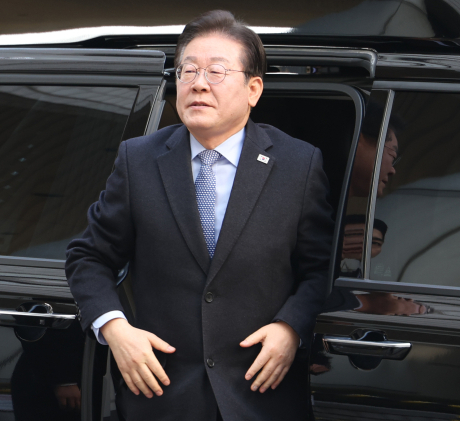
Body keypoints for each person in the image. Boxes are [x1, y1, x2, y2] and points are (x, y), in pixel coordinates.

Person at [65, 10, 334, 421]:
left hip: (260, 396)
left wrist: (292, 328)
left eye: (216, 71)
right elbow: (88, 257)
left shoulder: (298, 164)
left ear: (253, 89)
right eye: (187, 71)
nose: (199, 83)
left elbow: (322, 270)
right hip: (161, 396)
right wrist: (115, 330)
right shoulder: (139, 160)